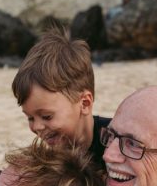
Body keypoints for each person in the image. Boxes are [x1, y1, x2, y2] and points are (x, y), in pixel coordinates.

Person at [11, 27, 109, 169]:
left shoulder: (117, 145)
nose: (37, 127)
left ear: (85, 103)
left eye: (46, 116)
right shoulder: (51, 159)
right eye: (30, 118)